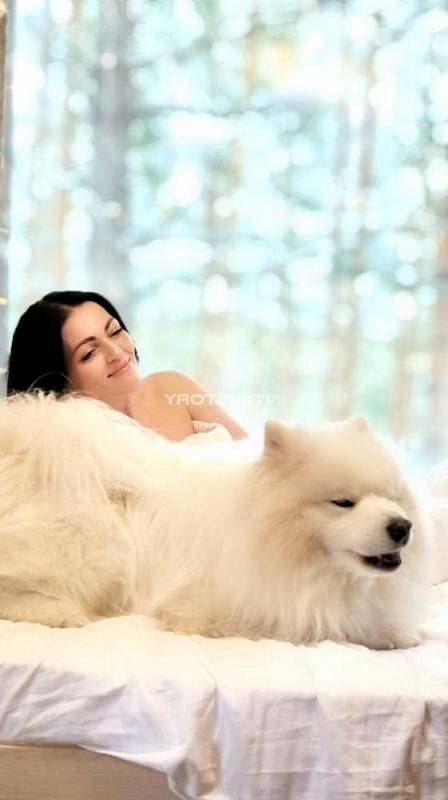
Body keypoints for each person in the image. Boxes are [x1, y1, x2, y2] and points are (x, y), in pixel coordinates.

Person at [6, 290, 248, 442]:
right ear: (59, 381)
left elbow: (255, 460)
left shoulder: (171, 385)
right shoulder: (71, 448)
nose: (115, 352)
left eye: (115, 331)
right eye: (89, 353)